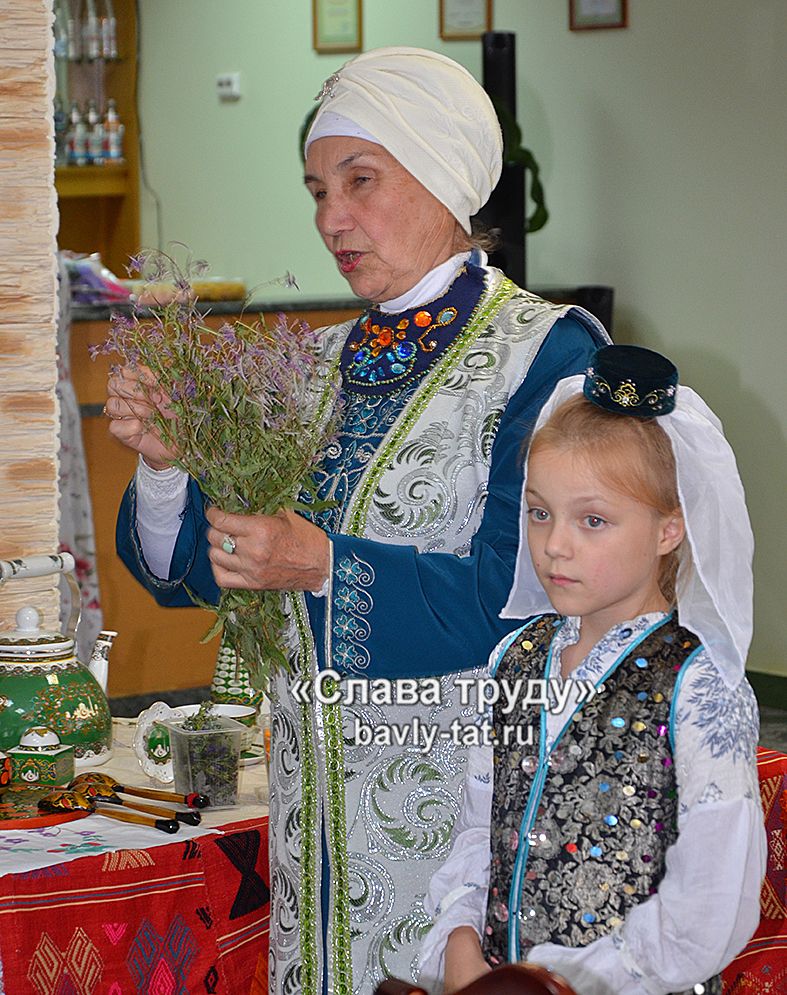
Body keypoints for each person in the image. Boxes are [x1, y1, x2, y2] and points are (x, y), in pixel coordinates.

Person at [105, 48, 609, 995]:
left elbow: (539, 596)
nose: (332, 217)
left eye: (360, 182)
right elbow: (206, 575)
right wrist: (166, 466)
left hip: (465, 818)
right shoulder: (315, 362)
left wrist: (329, 563)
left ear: (445, 179)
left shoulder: (543, 355)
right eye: (316, 189)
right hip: (315, 833)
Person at [419, 345, 766, 995]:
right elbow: (478, 828)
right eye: (539, 510)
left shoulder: (695, 689)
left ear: (669, 528)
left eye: (593, 520)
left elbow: (706, 909)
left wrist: (558, 981)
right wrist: (460, 939)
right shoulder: (514, 662)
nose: (554, 544)